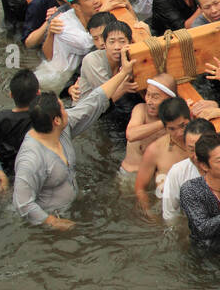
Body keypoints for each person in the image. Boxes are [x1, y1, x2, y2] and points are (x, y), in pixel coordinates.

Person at [13, 64, 135, 229]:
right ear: (56, 120)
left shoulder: (62, 128)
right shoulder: (31, 159)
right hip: (49, 222)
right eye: (63, 109)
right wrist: (53, 222)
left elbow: (94, 101)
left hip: (73, 207)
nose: (67, 111)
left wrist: (124, 73)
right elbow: (23, 204)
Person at [0, 71, 37, 180]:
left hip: (3, 170)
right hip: (31, 171)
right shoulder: (42, 120)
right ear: (38, 93)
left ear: (11, 94)